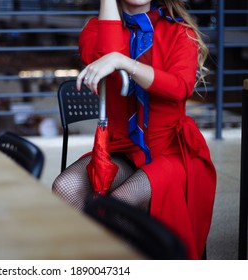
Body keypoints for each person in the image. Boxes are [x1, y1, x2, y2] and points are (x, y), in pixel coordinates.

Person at [52, 0, 216, 260]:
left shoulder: (179, 31)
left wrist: (125, 63)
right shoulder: (95, 30)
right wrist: (115, 57)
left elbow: (179, 88)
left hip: (171, 150)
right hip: (125, 148)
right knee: (65, 188)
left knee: (120, 204)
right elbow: (109, 55)